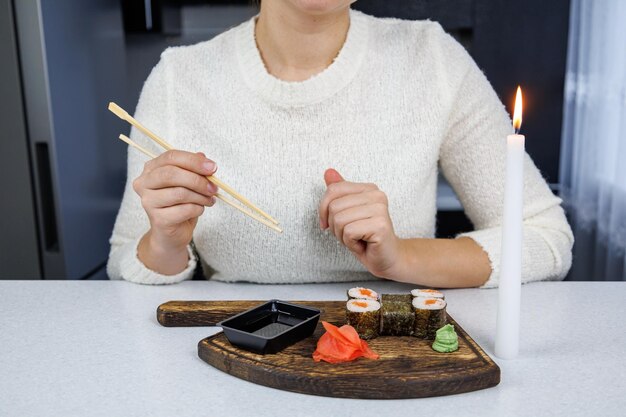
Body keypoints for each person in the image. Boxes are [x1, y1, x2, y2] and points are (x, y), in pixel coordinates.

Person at [107, 0, 573, 288]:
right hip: (234, 355)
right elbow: (126, 263)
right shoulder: (179, 78)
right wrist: (166, 241)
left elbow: (545, 236)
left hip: (394, 356)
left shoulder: (431, 57)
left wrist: (402, 256)